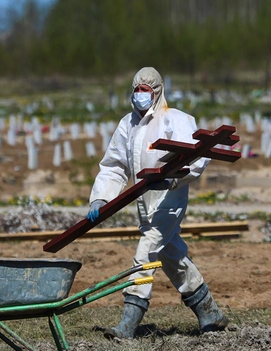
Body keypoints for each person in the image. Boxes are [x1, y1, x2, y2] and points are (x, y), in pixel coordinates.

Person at [87, 67, 228, 339]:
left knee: (146, 251)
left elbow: (196, 157)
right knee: (171, 255)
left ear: (157, 91)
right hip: (144, 199)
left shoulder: (174, 119)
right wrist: (101, 197)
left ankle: (128, 322)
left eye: (146, 90)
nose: (140, 95)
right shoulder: (127, 124)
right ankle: (210, 312)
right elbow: (115, 166)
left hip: (169, 197)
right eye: (137, 90)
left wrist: (175, 179)